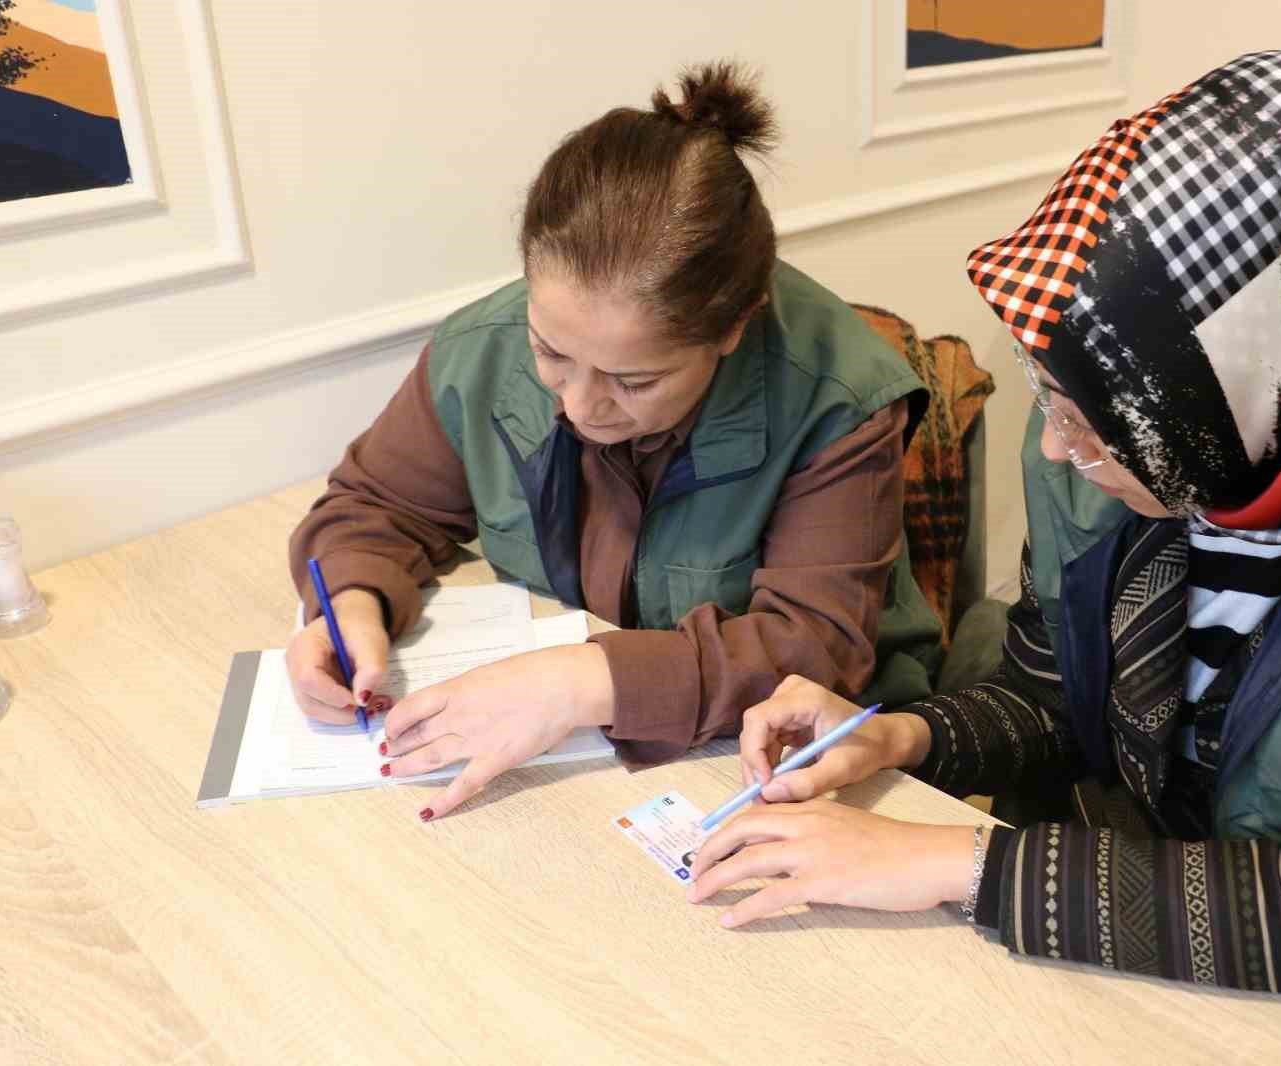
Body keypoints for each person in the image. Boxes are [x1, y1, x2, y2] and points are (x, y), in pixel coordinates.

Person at [690, 50, 1281, 1064]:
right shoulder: (1152, 428)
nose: (1059, 446)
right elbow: (1051, 698)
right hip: (1163, 949)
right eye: (1052, 401)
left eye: (1092, 423)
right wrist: (894, 738)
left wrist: (962, 863)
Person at [284, 62, 941, 820]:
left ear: (732, 327)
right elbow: (377, 504)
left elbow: (814, 647)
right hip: (588, 757)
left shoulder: (838, 399)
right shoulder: (481, 348)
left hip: (808, 761)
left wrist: (578, 682)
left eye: (633, 381)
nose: (580, 404)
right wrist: (352, 604)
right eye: (552, 353)